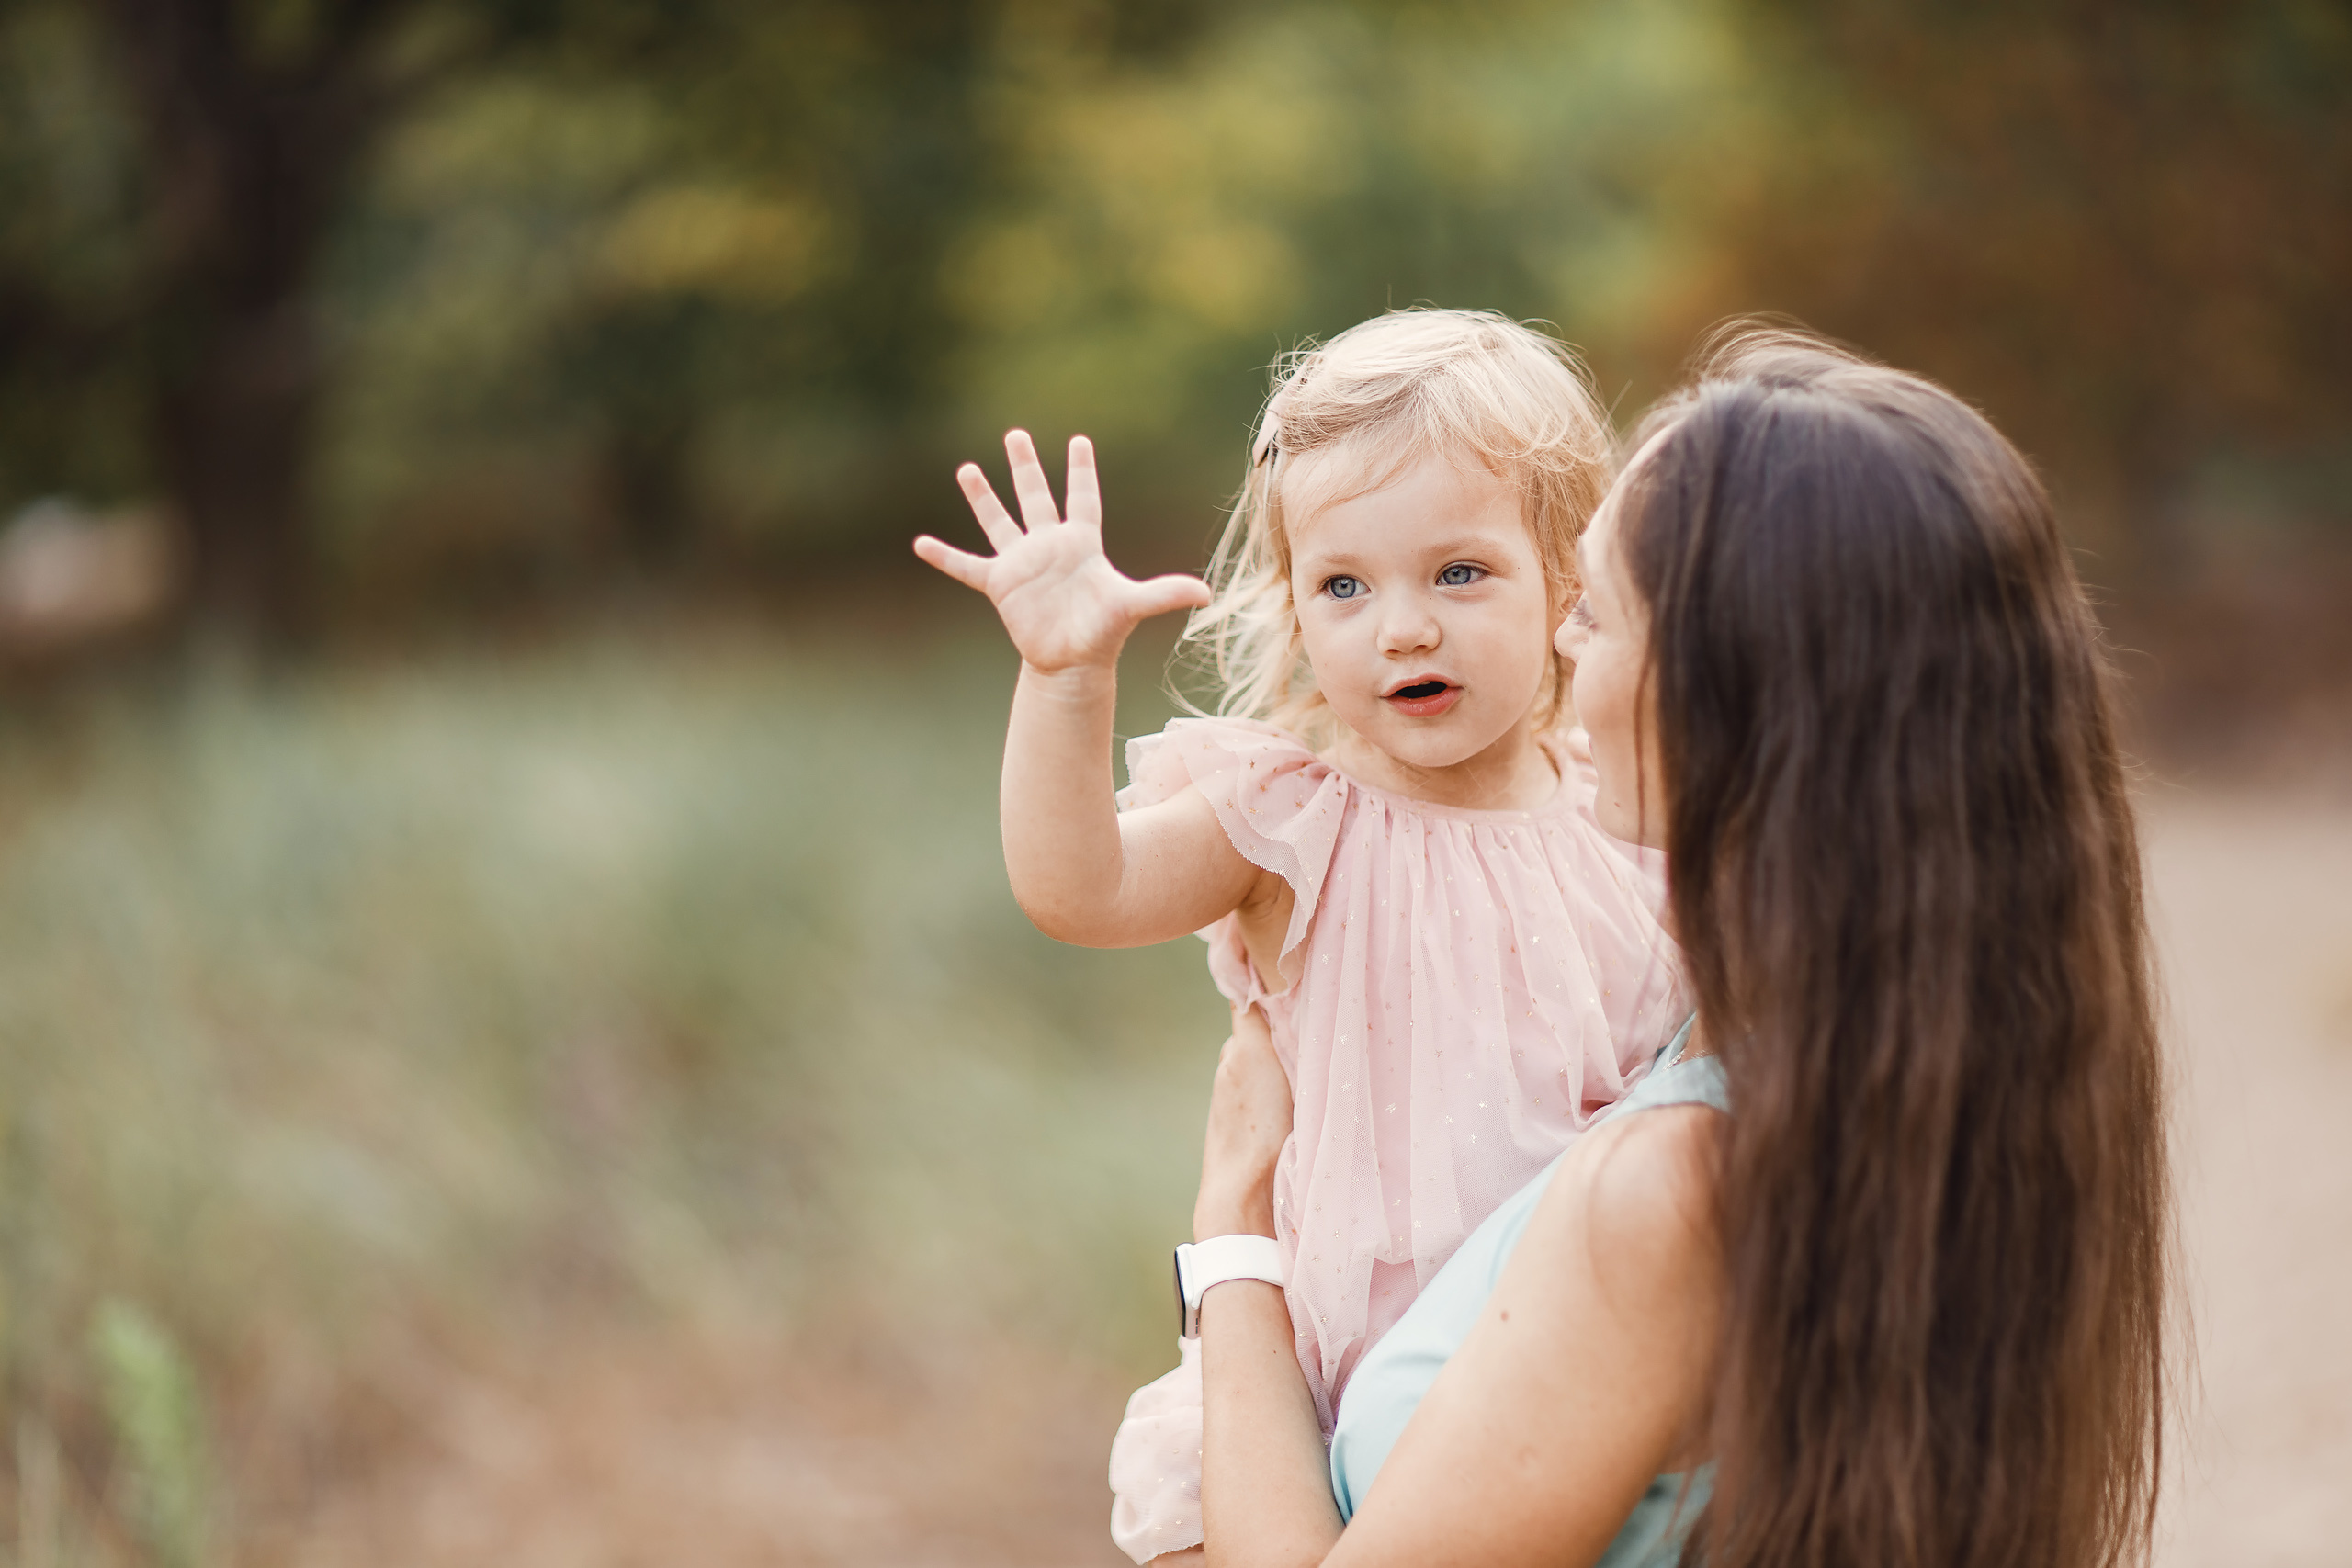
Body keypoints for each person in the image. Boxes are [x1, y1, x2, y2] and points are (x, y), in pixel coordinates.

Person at [1184, 328, 2171, 1568]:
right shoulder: (1903, 1086)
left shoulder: (1668, 1195)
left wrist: (1232, 1240)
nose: (1558, 646)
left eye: (1592, 608)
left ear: (1731, 692)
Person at [912, 309, 1691, 1564]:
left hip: (1557, 1404)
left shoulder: (1627, 813)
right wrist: (1065, 680)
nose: (1403, 628)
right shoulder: (1297, 820)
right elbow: (1082, 886)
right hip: (1321, 1416)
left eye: (1459, 572)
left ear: (1567, 576)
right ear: (1293, 604)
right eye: (1344, 585)